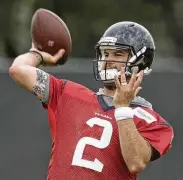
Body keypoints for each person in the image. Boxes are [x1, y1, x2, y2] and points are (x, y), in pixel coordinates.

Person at [9, 21, 174, 180]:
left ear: (141, 61)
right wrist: (37, 54)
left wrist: (123, 109)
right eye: (105, 53)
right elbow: (19, 70)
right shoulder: (68, 93)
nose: (108, 60)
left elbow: (136, 163)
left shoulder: (151, 120)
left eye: (117, 54)